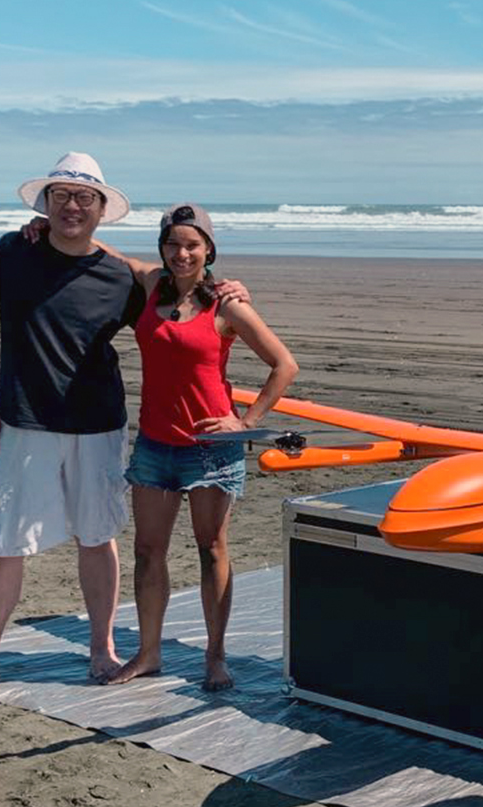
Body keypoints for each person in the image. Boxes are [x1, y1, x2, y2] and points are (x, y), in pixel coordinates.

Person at [0, 152, 143, 691]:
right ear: (45, 202)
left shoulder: (121, 277)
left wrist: (229, 290)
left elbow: (180, 300)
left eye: (83, 198)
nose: (71, 206)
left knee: (97, 537)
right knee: (5, 542)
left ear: (101, 208)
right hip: (24, 423)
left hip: (98, 426)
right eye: (61, 196)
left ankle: (102, 649)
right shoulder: (11, 251)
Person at [79, 203, 297, 691]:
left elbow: (284, 365)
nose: (182, 253)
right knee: (148, 551)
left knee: (211, 549)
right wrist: (46, 227)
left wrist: (245, 420)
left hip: (209, 451)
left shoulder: (227, 303)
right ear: (162, 248)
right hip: (155, 446)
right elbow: (106, 253)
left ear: (209, 250)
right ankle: (149, 653)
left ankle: (214, 658)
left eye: (192, 245)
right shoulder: (150, 284)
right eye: (173, 243)